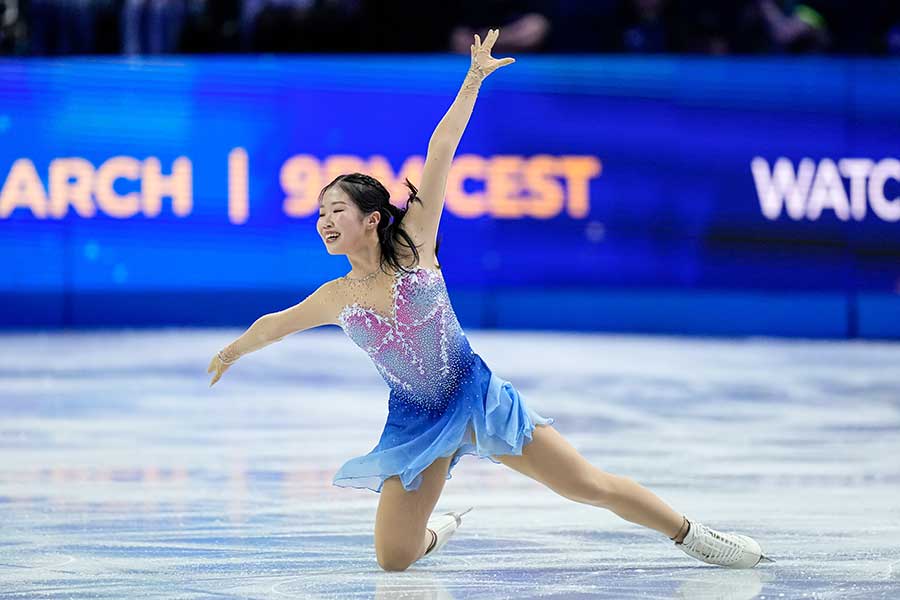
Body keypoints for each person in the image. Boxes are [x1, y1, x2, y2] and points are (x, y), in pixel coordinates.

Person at [207, 28, 774, 572]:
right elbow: (275, 324)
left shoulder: (416, 245)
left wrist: (474, 78)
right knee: (394, 558)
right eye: (320, 213)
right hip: (416, 422)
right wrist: (233, 351)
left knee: (587, 486)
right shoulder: (337, 297)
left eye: (337, 211)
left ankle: (693, 534)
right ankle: (438, 531)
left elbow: (441, 148)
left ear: (372, 218)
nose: (324, 221)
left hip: (477, 397)